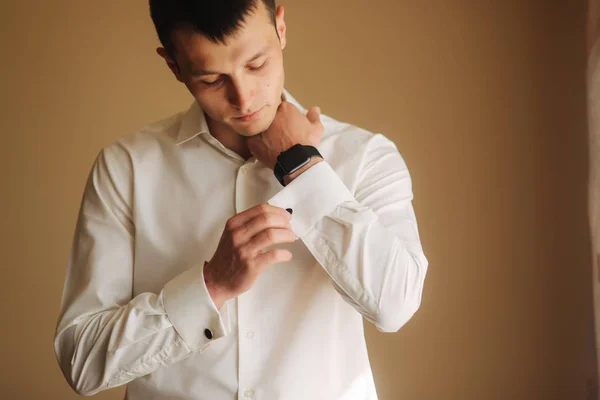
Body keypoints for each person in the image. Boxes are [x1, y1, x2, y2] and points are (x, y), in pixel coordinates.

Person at [53, 1, 429, 399]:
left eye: (257, 64)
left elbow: (396, 305)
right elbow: (82, 360)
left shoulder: (365, 155)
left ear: (280, 27)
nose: (245, 99)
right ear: (175, 66)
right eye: (212, 79)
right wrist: (209, 286)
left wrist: (302, 168)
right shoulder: (126, 168)